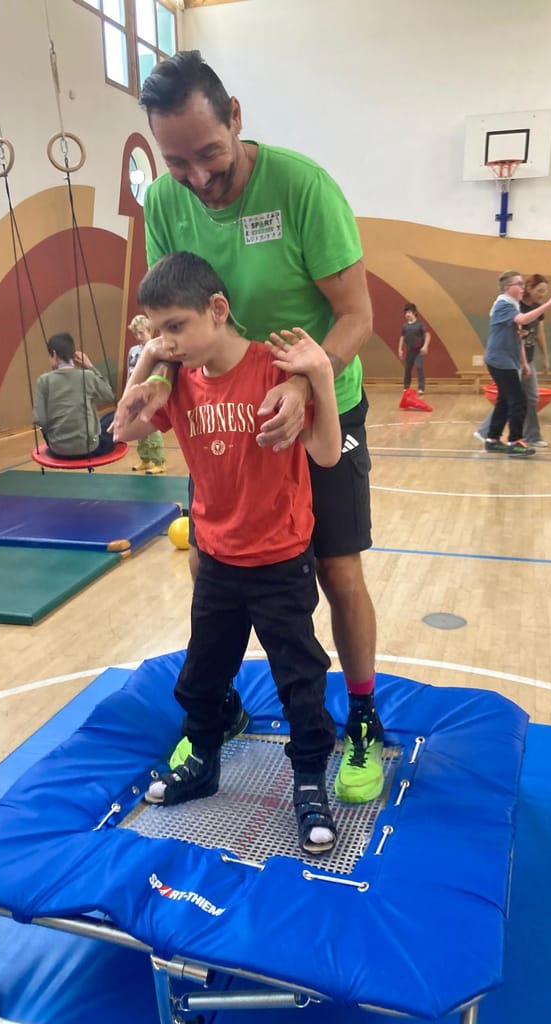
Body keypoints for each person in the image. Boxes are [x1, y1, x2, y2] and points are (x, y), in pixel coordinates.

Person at [113, 51, 383, 806]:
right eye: (176, 162)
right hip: (222, 410)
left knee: (336, 570)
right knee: (212, 559)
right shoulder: (165, 200)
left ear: (235, 116)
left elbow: (357, 316)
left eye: (209, 153)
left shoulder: (301, 187)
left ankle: (362, 716)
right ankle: (219, 708)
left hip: (318, 397)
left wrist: (303, 382)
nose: (197, 177)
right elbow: (170, 314)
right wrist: (152, 385)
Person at [123, 251, 342, 855]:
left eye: (175, 326)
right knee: (201, 674)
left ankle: (309, 781)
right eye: (157, 330)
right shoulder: (176, 380)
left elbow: (327, 454)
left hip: (279, 559)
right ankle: (203, 760)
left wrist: (320, 376)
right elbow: (125, 429)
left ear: (217, 310)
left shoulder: (276, 370)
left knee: (300, 679)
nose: (167, 341)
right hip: (218, 558)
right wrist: (149, 359)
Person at [482, 271, 551, 457]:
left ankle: (492, 439)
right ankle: (515, 442)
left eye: (522, 283)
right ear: (507, 288)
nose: (522, 287)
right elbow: (524, 320)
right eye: (518, 284)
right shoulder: (503, 304)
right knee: (518, 401)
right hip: (500, 360)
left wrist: (524, 362)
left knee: (504, 400)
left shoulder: (513, 304)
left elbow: (519, 337)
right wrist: (550, 303)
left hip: (508, 360)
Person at [33, 332, 115, 458]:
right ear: (72, 355)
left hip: (57, 450)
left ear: (54, 354)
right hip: (89, 449)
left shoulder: (43, 380)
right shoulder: (88, 376)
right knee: (113, 416)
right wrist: (90, 366)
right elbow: (109, 395)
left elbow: (40, 419)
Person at [127, 315, 167, 474]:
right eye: (135, 333)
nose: (138, 336)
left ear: (149, 330)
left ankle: (159, 461)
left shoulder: (156, 349)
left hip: (150, 394)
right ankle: (145, 459)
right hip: (136, 393)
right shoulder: (133, 351)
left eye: (141, 332)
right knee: (138, 425)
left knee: (152, 427)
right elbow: (131, 372)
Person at [398, 302, 431, 394]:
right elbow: (402, 337)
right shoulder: (405, 326)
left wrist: (425, 346)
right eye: (406, 313)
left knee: (419, 366)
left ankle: (421, 388)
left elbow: (427, 335)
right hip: (410, 351)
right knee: (407, 369)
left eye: (409, 312)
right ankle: (406, 387)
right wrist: (400, 349)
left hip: (419, 351)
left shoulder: (420, 325)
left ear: (414, 313)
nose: (407, 314)